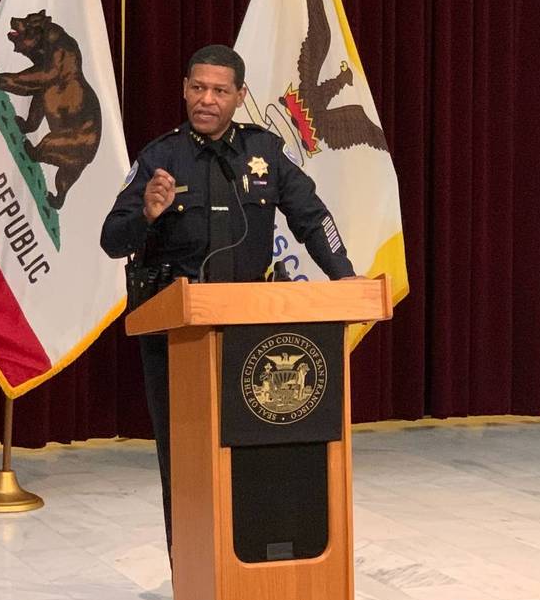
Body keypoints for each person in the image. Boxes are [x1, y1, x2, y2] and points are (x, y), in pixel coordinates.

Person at [101, 44, 356, 562]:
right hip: (177, 335)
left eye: (220, 90)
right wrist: (147, 214)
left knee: (254, 454)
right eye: (198, 87)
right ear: (184, 89)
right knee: (185, 460)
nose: (207, 99)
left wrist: (346, 280)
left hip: (250, 335)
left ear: (239, 96)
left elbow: (312, 217)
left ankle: (251, 568)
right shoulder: (160, 157)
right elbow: (111, 238)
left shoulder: (265, 151)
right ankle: (191, 577)